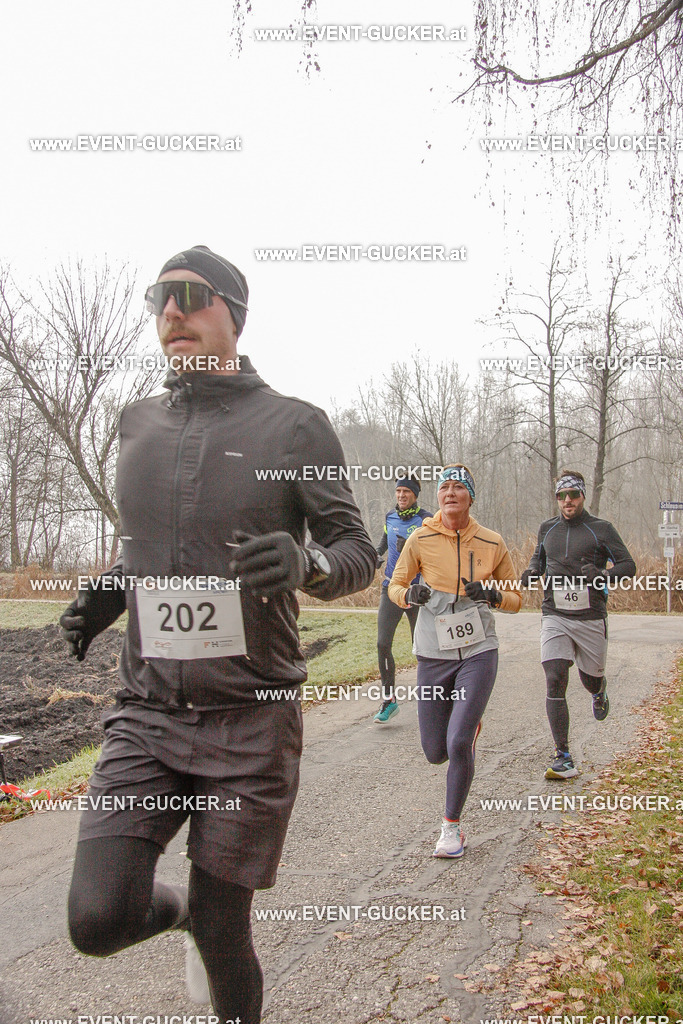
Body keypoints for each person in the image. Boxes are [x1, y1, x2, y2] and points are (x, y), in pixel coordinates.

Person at [59, 245, 376, 1024]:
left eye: (192, 295)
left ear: (233, 313)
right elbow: (143, 545)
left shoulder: (295, 426)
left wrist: (306, 562)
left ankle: (211, 931)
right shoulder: (135, 422)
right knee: (96, 921)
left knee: (228, 930)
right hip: (148, 713)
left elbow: (356, 553)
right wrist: (106, 593)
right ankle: (184, 917)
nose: (173, 312)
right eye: (159, 298)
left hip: (252, 716)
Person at [388, 465, 521, 857]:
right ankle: (464, 728)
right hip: (433, 653)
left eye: (458, 487)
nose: (449, 492)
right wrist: (408, 597)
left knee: (459, 740)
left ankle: (451, 828)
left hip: (480, 651)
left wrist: (492, 595)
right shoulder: (420, 538)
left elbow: (516, 599)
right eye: (444, 486)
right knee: (435, 750)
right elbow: (395, 585)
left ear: (470, 497)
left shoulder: (492, 542)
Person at [520, 470, 636, 781]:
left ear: (582, 496)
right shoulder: (548, 529)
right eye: (562, 495)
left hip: (590, 617)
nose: (567, 501)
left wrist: (603, 576)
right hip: (555, 614)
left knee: (589, 678)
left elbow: (628, 565)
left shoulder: (601, 529)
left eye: (573, 494)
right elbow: (538, 560)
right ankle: (563, 755)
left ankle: (599, 690)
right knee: (555, 676)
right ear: (556, 498)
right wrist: (531, 571)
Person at [373, 476, 431, 722]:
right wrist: (374, 555)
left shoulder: (426, 520)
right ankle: (389, 700)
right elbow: (384, 543)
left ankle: (429, 700)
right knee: (382, 644)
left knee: (423, 649)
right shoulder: (390, 517)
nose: (401, 495)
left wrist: (410, 546)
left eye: (406, 491)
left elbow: (434, 551)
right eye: (398, 491)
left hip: (416, 592)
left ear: (415, 495)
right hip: (390, 588)